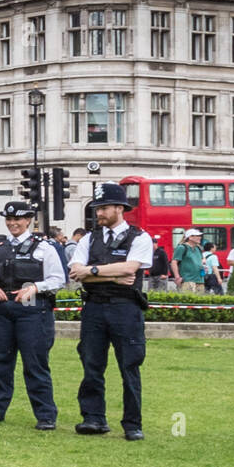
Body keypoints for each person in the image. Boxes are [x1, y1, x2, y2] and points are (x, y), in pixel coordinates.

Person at [68, 183, 153, 441]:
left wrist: (92, 271)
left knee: (129, 365)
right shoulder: (89, 239)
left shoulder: (140, 237)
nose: (99, 213)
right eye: (97, 208)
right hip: (94, 307)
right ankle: (93, 418)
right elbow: (75, 273)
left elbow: (130, 269)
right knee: (91, 363)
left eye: (104, 208)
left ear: (119, 208)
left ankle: (132, 423)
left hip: (126, 308)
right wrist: (111, 276)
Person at [0, 200, 64, 430]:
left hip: (32, 311)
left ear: (28, 220)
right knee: (0, 362)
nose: (13, 223)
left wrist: (35, 288)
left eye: (18, 219)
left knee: (35, 364)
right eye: (9, 219)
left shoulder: (44, 247)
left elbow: (58, 279)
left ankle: (45, 415)